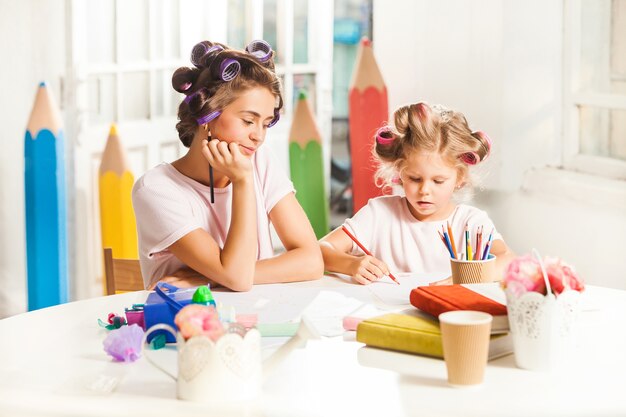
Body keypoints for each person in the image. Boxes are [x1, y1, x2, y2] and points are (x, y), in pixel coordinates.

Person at [132, 40, 323, 291]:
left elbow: (311, 261)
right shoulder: (156, 189)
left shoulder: (260, 161)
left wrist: (209, 276)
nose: (259, 136)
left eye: (265, 124)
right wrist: (243, 182)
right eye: (247, 121)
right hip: (188, 325)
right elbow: (237, 279)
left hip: (259, 321)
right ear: (207, 117)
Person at [320, 102, 514, 285]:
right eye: (414, 178)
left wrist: (466, 277)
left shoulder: (471, 222)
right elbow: (321, 249)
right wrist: (351, 264)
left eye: (438, 181)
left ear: (460, 178)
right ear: (400, 173)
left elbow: (509, 261)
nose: (424, 190)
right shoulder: (379, 213)